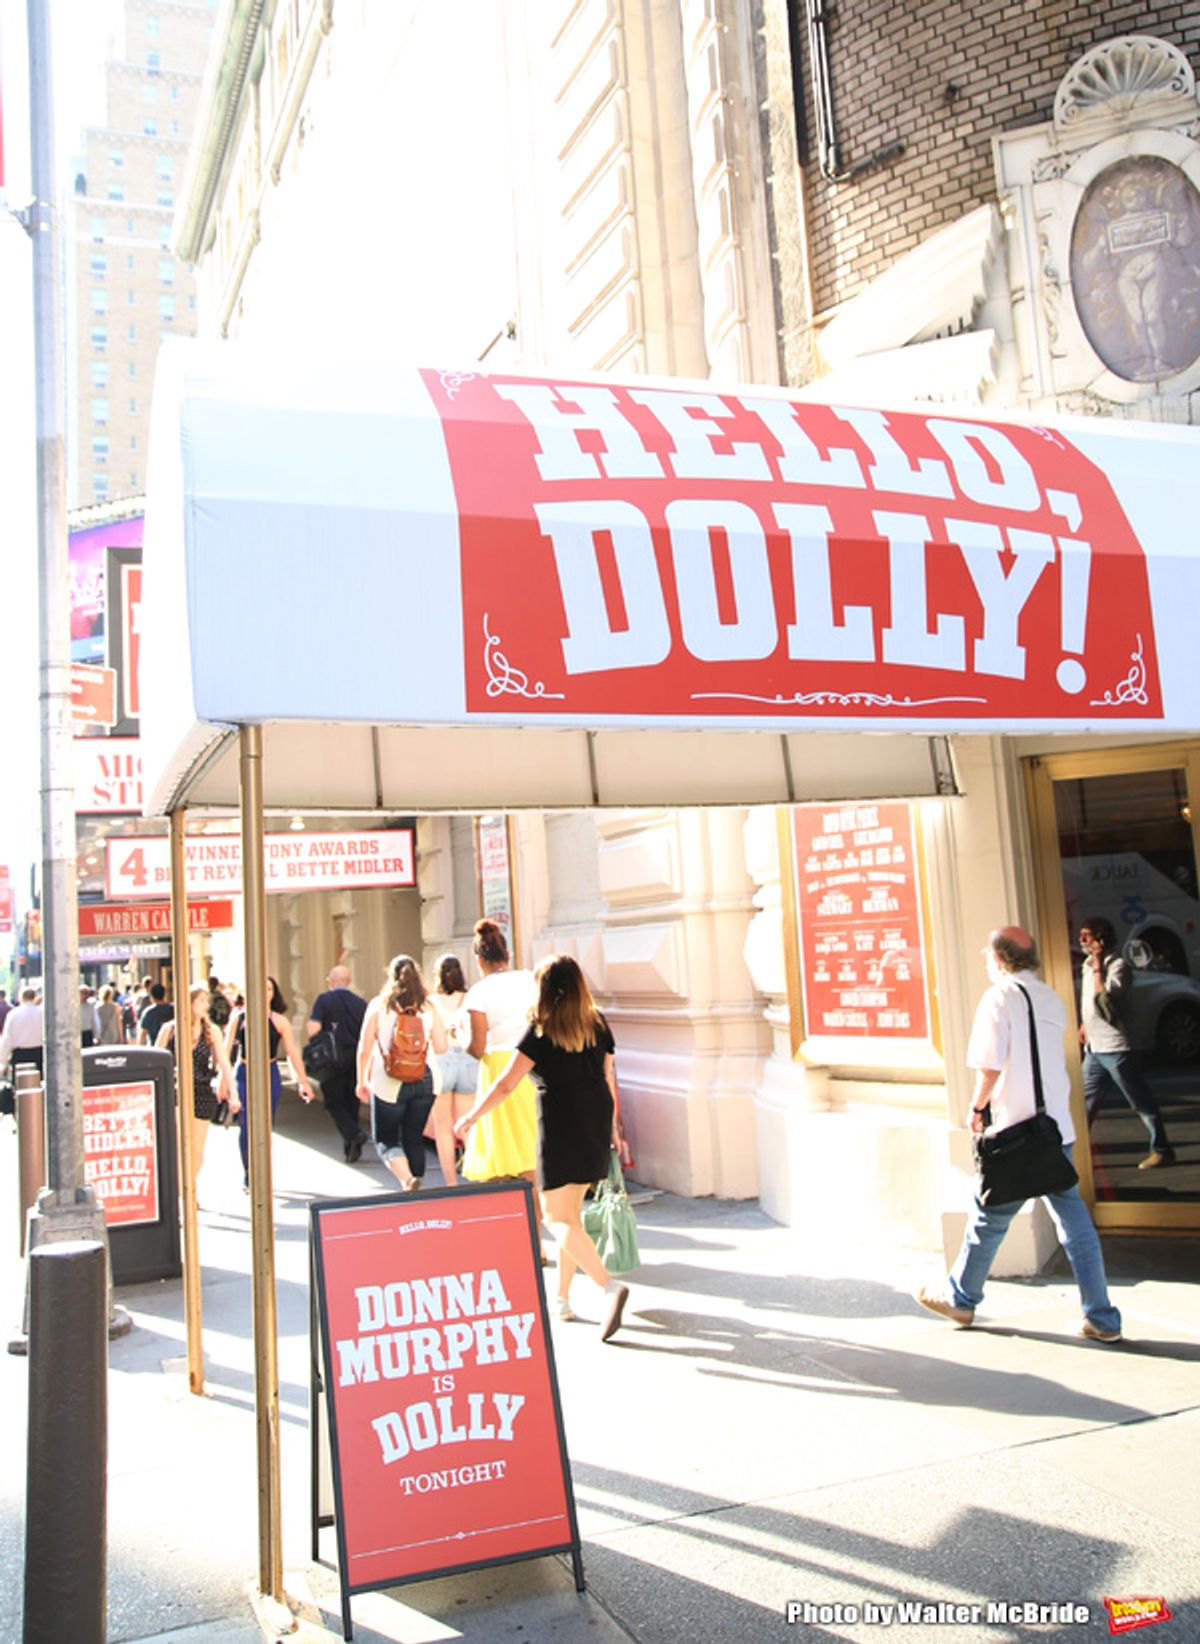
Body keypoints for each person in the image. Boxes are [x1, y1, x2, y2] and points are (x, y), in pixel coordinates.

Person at [916, 926, 1123, 1343]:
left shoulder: (998, 997)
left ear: (999, 960)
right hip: (1054, 1130)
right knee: (1073, 1222)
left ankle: (962, 1296)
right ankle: (1101, 1316)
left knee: (988, 1216)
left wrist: (977, 1108)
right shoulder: (1050, 997)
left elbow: (989, 1065)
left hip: (1016, 1132)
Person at [456, 954, 630, 1340]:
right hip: (596, 1118)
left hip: (560, 1123)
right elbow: (608, 1075)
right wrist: (614, 1127)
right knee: (570, 1216)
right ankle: (563, 1298)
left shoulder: (542, 1029)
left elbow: (504, 1084)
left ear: (546, 990)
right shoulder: (597, 1021)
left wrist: (471, 1117)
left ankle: (608, 1286)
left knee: (555, 1218)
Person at [1078, 915, 1174, 1170]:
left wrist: (1099, 963)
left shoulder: (1117, 966)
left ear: (1100, 939)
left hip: (1116, 1047)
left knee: (1139, 1100)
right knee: (1084, 1101)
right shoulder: (1087, 966)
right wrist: (1084, 1025)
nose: (1081, 940)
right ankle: (1076, 1152)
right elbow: (1089, 1001)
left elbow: (1103, 998)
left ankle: (1162, 1149)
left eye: (1086, 936)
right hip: (1095, 1049)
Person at [356, 954, 446, 1190]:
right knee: (414, 1137)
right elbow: (442, 1046)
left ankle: (407, 1180)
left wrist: (361, 1080)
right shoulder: (428, 1006)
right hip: (426, 1080)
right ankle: (418, 1188)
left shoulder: (379, 1005)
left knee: (386, 1139)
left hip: (390, 1081)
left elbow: (364, 1049)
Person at [461, 919, 539, 1183]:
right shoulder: (531, 980)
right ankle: (538, 1216)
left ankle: (517, 1215)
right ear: (508, 954)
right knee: (532, 1141)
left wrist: (461, 1039)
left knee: (502, 1149)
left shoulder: (478, 993)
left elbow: (478, 1047)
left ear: (479, 960)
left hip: (498, 1066)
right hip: (534, 1061)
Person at [226, 977, 316, 1189]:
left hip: (270, 1071)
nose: (265, 992)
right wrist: (223, 1080)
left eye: (269, 989)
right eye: (260, 988)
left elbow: (293, 1051)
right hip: (244, 1072)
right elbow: (226, 1048)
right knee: (247, 1124)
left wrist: (303, 1082)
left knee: (266, 1125)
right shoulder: (239, 1019)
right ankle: (249, 1172)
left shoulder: (279, 1020)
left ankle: (262, 1171)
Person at [156, 985, 240, 1181]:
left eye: (206, 1000)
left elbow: (224, 1063)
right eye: (201, 1000)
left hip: (202, 1092)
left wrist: (233, 1093)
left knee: (197, 1152)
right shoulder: (170, 1029)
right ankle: (183, 1194)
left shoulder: (211, 1031)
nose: (206, 1004)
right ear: (189, 1002)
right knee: (179, 1147)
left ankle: (188, 1186)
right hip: (175, 1092)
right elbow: (155, 1060)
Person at [427, 953, 479, 1188]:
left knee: (443, 1127)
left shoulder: (430, 1002)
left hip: (441, 1061)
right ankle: (477, 1174)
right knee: (467, 1123)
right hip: (468, 1061)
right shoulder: (470, 998)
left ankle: (451, 1182)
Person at [306, 964, 369, 1162]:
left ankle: (353, 1134)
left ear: (330, 982)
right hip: (355, 1058)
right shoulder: (361, 1003)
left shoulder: (324, 1000)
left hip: (331, 1059)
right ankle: (351, 1146)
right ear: (348, 982)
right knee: (352, 1101)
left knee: (333, 1102)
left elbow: (314, 1029)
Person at [0, 988, 44, 1079]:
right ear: (34, 998)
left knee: (20, 1084)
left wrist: (3, 1061)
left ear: (21, 998)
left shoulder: (13, 1014)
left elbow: (7, 1039)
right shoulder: (41, 1013)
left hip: (20, 1054)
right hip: (39, 1053)